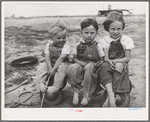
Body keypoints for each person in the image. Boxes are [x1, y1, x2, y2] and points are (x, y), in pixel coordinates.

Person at [99, 11, 134, 107]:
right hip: (110, 62)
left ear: (122, 27)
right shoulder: (104, 41)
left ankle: (112, 95)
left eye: (119, 29)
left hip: (121, 62)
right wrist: (109, 61)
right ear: (107, 28)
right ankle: (111, 95)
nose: (116, 32)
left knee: (118, 66)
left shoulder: (126, 40)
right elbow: (106, 58)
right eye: (112, 29)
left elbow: (127, 58)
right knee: (104, 66)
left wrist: (117, 61)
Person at [67, 18, 105, 106]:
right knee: (73, 67)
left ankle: (86, 96)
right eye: (86, 33)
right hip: (81, 63)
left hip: (93, 66)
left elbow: (102, 59)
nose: (89, 35)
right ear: (81, 33)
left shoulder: (98, 45)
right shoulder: (78, 45)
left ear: (96, 33)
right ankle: (76, 92)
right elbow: (74, 58)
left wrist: (97, 64)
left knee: (89, 67)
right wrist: (81, 63)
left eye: (92, 33)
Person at [36, 20, 70, 99]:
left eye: (64, 37)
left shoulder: (66, 45)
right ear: (51, 38)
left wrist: (53, 70)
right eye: (58, 38)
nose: (61, 40)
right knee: (42, 65)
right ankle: (41, 83)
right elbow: (47, 56)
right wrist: (49, 68)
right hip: (51, 63)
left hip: (61, 63)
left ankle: (56, 86)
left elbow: (61, 59)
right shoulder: (49, 44)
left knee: (62, 67)